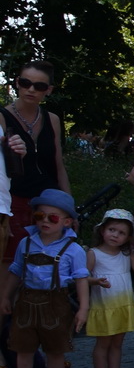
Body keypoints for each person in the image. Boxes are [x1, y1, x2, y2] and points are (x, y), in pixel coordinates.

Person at [0, 189, 88, 368]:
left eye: (53, 217)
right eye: (40, 216)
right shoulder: (26, 243)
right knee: (23, 347)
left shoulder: (73, 249)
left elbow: (81, 279)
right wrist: (5, 297)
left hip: (56, 303)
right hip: (26, 302)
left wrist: (84, 307)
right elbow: (15, 271)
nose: (45, 221)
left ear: (66, 222)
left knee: (55, 348)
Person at [1, 60, 71, 260]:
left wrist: (68, 205)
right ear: (17, 82)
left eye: (39, 86)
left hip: (50, 202)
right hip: (16, 199)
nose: (31, 89)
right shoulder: (3, 117)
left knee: (47, 263)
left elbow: (58, 165)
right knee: (12, 263)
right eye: (25, 83)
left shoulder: (53, 120)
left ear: (48, 90)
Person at [87, 208, 134, 368]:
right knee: (103, 343)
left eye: (121, 233)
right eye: (112, 230)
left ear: (128, 237)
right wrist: (95, 280)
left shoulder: (126, 253)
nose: (115, 235)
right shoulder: (94, 253)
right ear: (102, 230)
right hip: (104, 306)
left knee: (117, 344)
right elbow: (82, 277)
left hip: (122, 305)